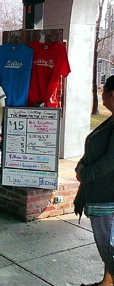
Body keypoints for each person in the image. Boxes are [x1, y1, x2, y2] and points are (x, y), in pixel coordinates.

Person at [74, 75, 114, 286]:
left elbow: (110, 161)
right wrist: (82, 164)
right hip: (102, 194)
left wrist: (84, 174)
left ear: (111, 94)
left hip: (107, 197)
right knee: (110, 247)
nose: (101, 96)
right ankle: (107, 281)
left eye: (103, 91)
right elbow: (95, 149)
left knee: (109, 248)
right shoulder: (111, 120)